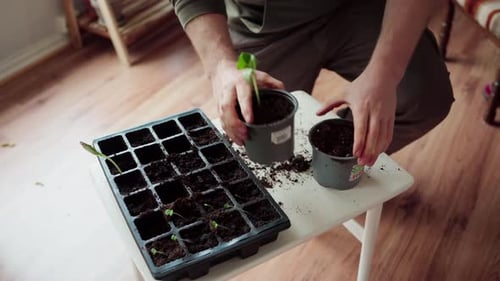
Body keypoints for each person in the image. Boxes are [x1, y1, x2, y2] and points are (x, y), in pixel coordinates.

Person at [170, 0, 454, 166]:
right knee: (251, 128)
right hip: (263, 22)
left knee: (424, 96)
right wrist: (222, 67)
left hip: (360, 7)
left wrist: (386, 72)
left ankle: (331, 162)